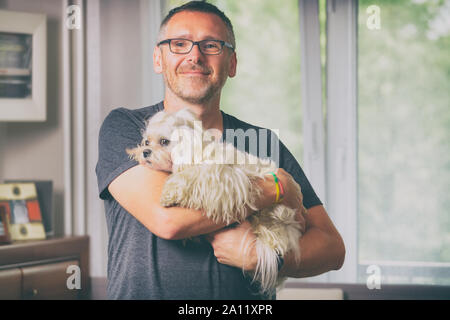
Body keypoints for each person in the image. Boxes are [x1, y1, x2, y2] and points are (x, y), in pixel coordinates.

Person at [96, 1, 345, 300]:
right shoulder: (129, 127)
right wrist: (273, 189)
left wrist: (264, 259)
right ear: (158, 59)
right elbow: (169, 220)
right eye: (179, 44)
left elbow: (332, 247)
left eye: (211, 45)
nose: (195, 56)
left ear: (232, 63)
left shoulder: (262, 142)